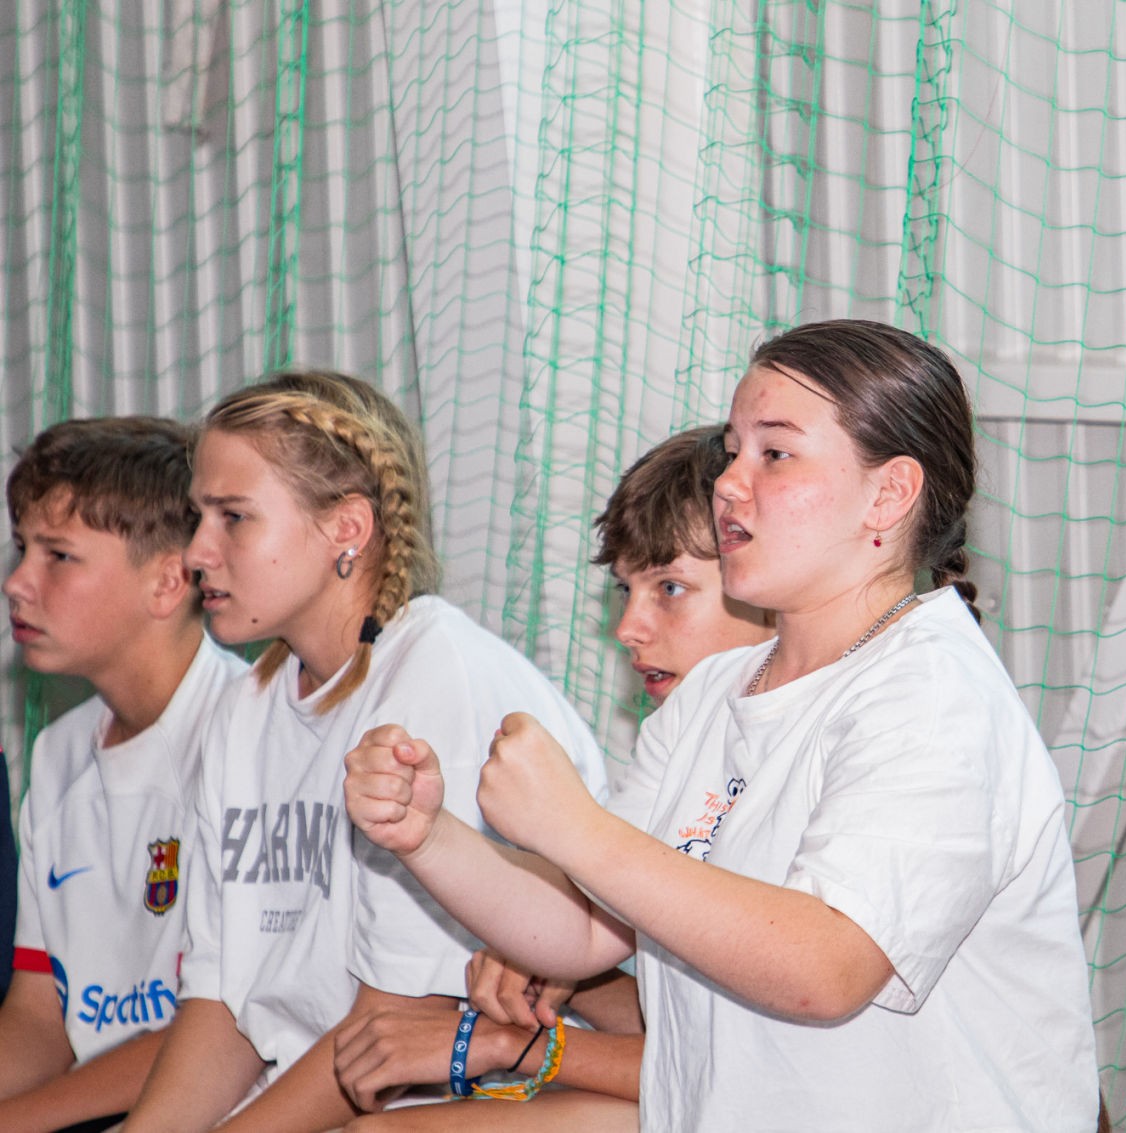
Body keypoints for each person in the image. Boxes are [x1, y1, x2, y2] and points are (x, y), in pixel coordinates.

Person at [345, 319, 1100, 1130]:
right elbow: (581, 929)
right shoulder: (713, 692)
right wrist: (427, 834)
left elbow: (825, 965)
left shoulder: (933, 692)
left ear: (887, 495)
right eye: (734, 451)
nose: (730, 483)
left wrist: (576, 829)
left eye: (775, 453)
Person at [119, 371, 609, 1133]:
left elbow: (396, 1025)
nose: (197, 551)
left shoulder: (435, 672)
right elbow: (222, 1002)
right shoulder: (245, 707)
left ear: (347, 527)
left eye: (233, 517)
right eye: (198, 516)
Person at [333, 425, 772, 1130]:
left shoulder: (835, 730)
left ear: (768, 581)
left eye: (670, 588)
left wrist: (518, 1042)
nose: (629, 626)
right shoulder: (681, 733)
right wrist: (424, 832)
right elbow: (599, 939)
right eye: (626, 589)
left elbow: (758, 1060)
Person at [0, 418, 247, 1132]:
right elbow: (39, 1016)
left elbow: (224, 1026)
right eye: (22, 548)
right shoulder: (58, 753)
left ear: (169, 581)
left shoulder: (250, 735)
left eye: (59, 555)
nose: (17, 583)